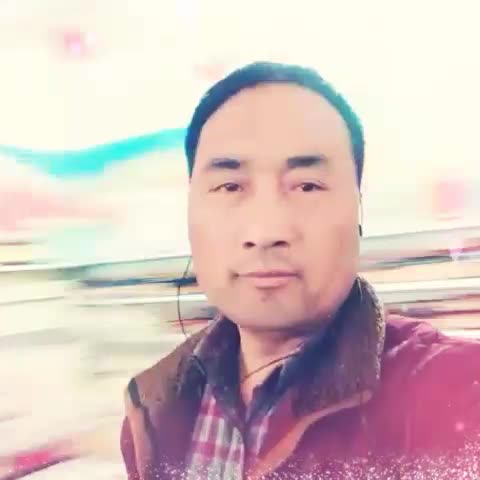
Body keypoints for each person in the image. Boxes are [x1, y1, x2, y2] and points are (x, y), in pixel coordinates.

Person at [120, 62, 480, 479]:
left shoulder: (448, 394)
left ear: (358, 210)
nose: (265, 232)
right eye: (230, 187)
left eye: (307, 186)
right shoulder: (153, 412)